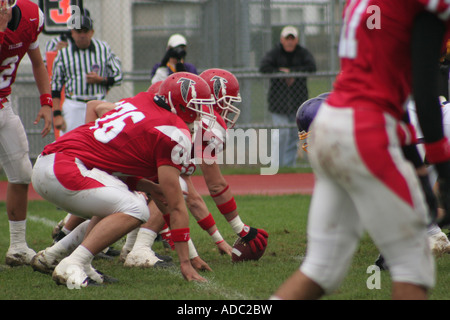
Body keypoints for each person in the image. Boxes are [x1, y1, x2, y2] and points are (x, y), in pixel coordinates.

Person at [271, 1, 450, 300]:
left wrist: (419, 169)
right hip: (366, 129)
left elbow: (395, 93)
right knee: (413, 265)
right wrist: (443, 170)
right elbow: (422, 91)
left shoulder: (366, 5)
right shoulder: (424, 7)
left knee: (321, 269)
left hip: (330, 122)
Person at [31, 72, 216, 288]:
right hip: (66, 169)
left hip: (54, 161)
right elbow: (175, 206)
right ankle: (73, 262)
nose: (201, 112)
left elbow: (126, 172)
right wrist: (186, 261)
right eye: (197, 106)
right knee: (136, 208)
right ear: (180, 105)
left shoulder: (140, 101)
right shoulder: (172, 131)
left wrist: (149, 187)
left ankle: (70, 259)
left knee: (124, 200)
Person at [1, 0, 53, 266]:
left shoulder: (32, 16)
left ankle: (18, 246)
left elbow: (37, 61)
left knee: (22, 173)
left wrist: (46, 101)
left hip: (3, 103)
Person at [51, 13, 123, 135]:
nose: (82, 35)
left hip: (98, 102)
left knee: (100, 142)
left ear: (92, 32)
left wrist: (101, 80)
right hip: (74, 104)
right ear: (72, 33)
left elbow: (119, 76)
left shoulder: (103, 49)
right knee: (72, 143)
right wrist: (57, 114)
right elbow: (55, 86)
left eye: (85, 31)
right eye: (79, 31)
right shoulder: (64, 54)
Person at [259, 25, 316, 168]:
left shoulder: (302, 53)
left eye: (292, 38)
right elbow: (264, 67)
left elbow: (312, 67)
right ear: (282, 40)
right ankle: (276, 165)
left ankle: (288, 166)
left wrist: (293, 72)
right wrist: (281, 73)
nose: (290, 42)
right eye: (287, 38)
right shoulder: (275, 53)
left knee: (293, 135)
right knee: (282, 133)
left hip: (298, 103)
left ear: (297, 40)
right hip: (279, 103)